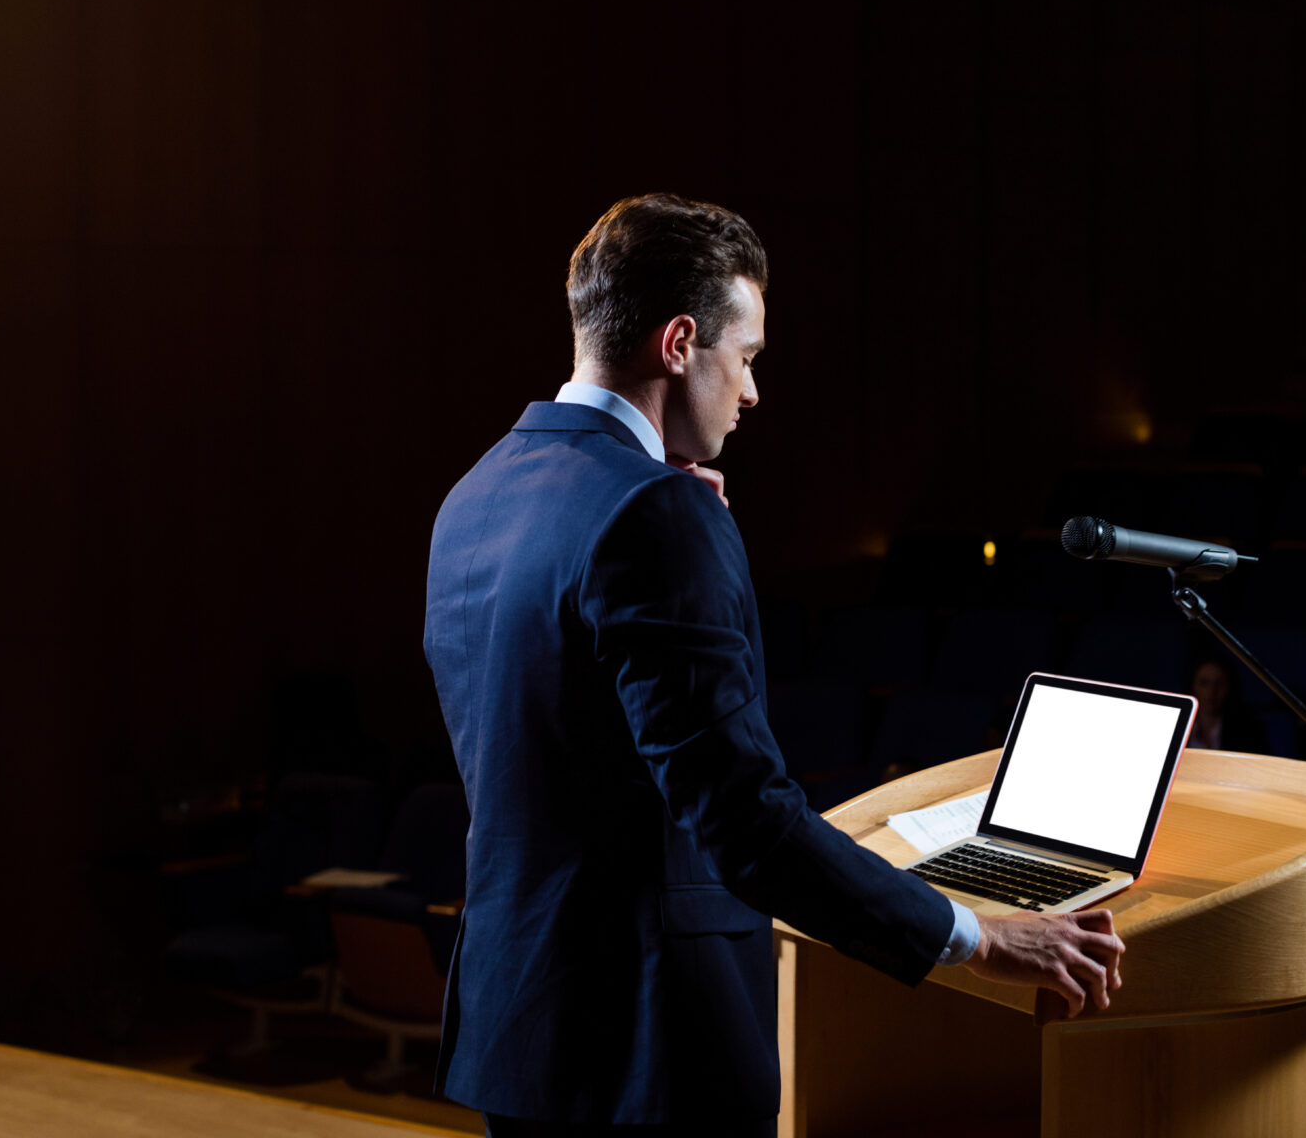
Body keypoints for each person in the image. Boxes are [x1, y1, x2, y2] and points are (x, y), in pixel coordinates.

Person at [423, 194, 1124, 1135]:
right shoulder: (658, 515)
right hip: (651, 1046)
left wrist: (660, 505)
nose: (751, 392)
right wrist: (979, 937)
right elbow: (744, 820)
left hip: (519, 1034)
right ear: (680, 343)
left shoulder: (476, 495)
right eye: (746, 356)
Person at [1187, 656, 1269, 753]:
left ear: (1229, 687)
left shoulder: (1249, 731)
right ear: (1193, 685)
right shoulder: (1180, 726)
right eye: (1204, 683)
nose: (1212, 691)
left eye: (1220, 683)